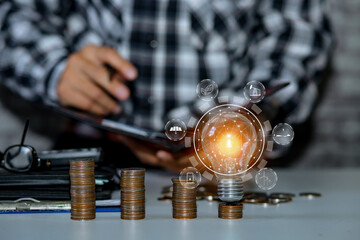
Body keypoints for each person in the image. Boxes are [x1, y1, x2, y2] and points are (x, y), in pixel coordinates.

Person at [0, 0, 332, 171]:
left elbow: (296, 33)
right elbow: (13, 12)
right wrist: (54, 69)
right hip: (91, 160)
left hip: (227, 160)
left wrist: (255, 115)